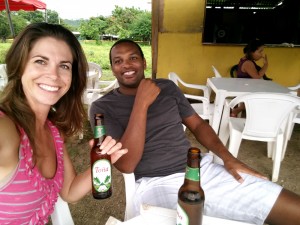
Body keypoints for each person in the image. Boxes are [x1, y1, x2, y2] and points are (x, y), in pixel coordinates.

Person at [90, 39, 300, 225]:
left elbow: (198, 125)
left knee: (292, 209)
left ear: (144, 63)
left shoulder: (167, 88)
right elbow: (126, 165)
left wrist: (228, 159)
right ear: (112, 67)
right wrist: (141, 103)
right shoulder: (103, 108)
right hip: (154, 183)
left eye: (133, 57)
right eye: (118, 61)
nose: (126, 65)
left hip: (201, 172)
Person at [0, 23, 127, 224]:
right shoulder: (6, 128)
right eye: (41, 61)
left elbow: (69, 192)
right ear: (19, 65)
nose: (54, 75)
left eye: (64, 66)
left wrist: (105, 160)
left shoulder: (52, 132)